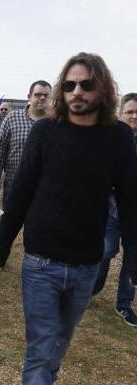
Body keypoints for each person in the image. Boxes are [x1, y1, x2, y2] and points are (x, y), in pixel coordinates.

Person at [0, 52, 137, 384]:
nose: (77, 91)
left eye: (86, 84)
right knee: (41, 350)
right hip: (41, 263)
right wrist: (1, 247)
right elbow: (21, 192)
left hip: (86, 263)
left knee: (58, 346)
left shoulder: (119, 138)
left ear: (103, 88)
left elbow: (130, 203)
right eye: (69, 84)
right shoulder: (45, 131)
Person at [91, 92, 137, 327]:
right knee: (105, 250)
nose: (134, 116)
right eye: (130, 111)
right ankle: (92, 289)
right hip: (110, 211)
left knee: (133, 259)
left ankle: (124, 304)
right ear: (120, 113)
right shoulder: (111, 138)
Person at [0, 80, 51, 205]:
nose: (42, 98)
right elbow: (0, 151)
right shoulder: (12, 118)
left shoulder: (57, 122)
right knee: (10, 222)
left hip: (44, 189)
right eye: (38, 94)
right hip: (14, 185)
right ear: (29, 97)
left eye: (46, 95)